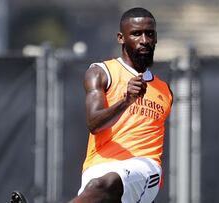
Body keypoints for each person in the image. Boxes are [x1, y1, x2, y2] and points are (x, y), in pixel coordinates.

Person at [69, 7, 173, 203]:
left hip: (144, 166)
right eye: (136, 33)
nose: (144, 40)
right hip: (97, 168)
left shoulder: (164, 90)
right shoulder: (101, 72)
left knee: (104, 185)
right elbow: (94, 124)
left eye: (149, 34)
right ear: (121, 38)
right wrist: (126, 101)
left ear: (156, 38)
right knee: (97, 187)